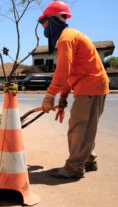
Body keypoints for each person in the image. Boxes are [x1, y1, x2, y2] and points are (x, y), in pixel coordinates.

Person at [39, 1, 109, 179]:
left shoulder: (66, 39)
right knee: (85, 126)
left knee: (78, 127)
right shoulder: (69, 36)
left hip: (91, 86)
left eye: (43, 22)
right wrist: (62, 97)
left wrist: (50, 95)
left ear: (52, 20)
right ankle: (88, 159)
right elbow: (73, 72)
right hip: (90, 85)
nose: (43, 27)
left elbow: (63, 71)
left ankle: (74, 168)